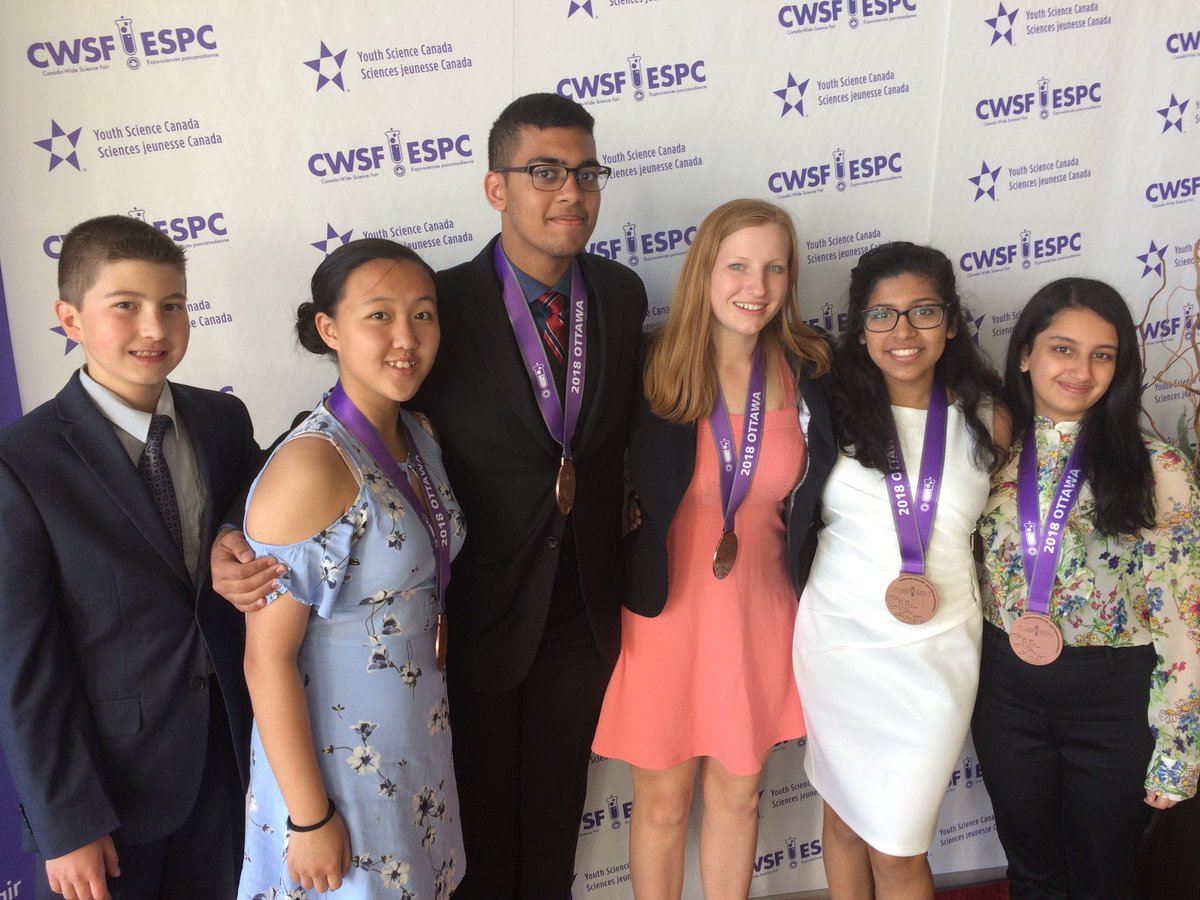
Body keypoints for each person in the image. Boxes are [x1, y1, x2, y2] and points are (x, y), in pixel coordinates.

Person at [213, 92, 647, 899]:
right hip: (470, 614)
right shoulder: (438, 302)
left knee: (556, 812)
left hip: (579, 605)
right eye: (544, 171)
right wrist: (236, 530)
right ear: (497, 188)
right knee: (472, 823)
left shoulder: (620, 295)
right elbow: (344, 429)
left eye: (586, 173)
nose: (570, 192)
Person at [0, 214, 261, 899]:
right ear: (70, 317)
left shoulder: (221, 421)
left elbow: (256, 496)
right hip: (109, 800)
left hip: (231, 766)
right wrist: (65, 822)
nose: (155, 328)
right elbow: (22, 664)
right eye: (126, 306)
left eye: (172, 305)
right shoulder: (21, 463)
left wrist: (232, 530)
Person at [591, 199, 835, 899]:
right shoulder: (650, 364)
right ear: (704, 270)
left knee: (739, 798)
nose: (754, 287)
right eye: (738, 266)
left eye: (774, 269)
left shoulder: (811, 369)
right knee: (663, 804)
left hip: (760, 609)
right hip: (663, 610)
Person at [236, 239, 464, 899]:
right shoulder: (312, 464)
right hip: (337, 769)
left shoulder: (419, 432)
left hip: (415, 745)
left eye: (423, 315)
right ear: (329, 329)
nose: (407, 338)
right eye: (380, 316)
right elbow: (266, 660)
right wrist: (310, 818)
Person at [972, 277, 1200, 899]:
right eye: (1063, 348)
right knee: (1032, 871)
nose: (1081, 369)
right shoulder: (987, 455)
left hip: (1113, 704)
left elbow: (1187, 617)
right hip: (1006, 693)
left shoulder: (1159, 469)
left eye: (1103, 354)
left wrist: (1179, 747)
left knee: (1106, 878)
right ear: (1026, 354)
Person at [792, 242, 1007, 899]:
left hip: (939, 652)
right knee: (845, 820)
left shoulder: (990, 416)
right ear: (859, 328)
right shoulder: (827, 410)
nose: (903, 332)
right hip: (840, 642)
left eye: (922, 311)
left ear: (952, 321)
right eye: (882, 316)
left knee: (899, 847)